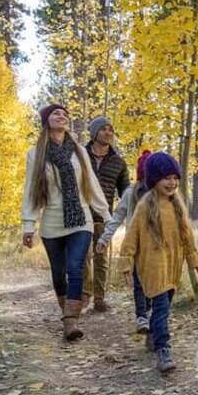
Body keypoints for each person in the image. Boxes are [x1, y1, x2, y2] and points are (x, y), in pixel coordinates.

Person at [21, 104, 110, 341]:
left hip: (81, 218)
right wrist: (28, 225)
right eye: (55, 114)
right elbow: (30, 190)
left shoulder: (79, 151)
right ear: (46, 122)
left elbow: (92, 184)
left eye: (64, 114)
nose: (62, 116)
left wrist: (107, 215)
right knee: (59, 273)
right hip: (51, 219)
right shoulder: (35, 153)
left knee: (75, 267)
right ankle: (67, 310)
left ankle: (71, 322)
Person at [119, 152, 198, 373]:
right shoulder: (145, 206)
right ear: (154, 180)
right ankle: (163, 349)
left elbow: (188, 239)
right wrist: (126, 263)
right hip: (152, 266)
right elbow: (131, 238)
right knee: (161, 309)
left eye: (175, 178)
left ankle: (152, 334)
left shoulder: (178, 206)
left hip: (173, 267)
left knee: (163, 306)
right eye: (166, 178)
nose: (172, 183)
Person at [95, 149, 152, 334]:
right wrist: (104, 238)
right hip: (135, 248)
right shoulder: (130, 194)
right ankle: (142, 316)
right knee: (139, 282)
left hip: (158, 249)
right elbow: (117, 218)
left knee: (154, 281)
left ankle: (151, 311)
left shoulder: (163, 195)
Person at [83, 116, 129, 312]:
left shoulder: (118, 162)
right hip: (80, 216)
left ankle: (99, 298)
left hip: (104, 218)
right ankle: (84, 296)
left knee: (101, 258)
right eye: (104, 129)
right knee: (82, 258)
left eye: (111, 130)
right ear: (94, 133)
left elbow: (125, 191)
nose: (108, 133)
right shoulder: (80, 156)